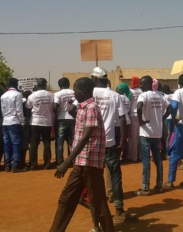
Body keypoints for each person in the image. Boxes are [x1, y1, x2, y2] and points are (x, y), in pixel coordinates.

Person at [50, 78, 114, 232]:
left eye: (76, 90)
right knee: (66, 199)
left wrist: (67, 161)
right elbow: (81, 126)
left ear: (83, 91)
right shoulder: (83, 108)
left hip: (90, 162)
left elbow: (86, 136)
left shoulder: (92, 107)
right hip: (81, 162)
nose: (74, 92)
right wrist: (73, 109)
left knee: (98, 203)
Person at [90, 67, 131, 223]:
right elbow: (122, 119)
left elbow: (75, 111)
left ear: (94, 79)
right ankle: (119, 210)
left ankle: (98, 212)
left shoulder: (88, 94)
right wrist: (122, 142)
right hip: (110, 142)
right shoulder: (115, 95)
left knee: (94, 177)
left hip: (92, 143)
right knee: (114, 175)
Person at [135, 76, 169, 196]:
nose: (140, 86)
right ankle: (159, 185)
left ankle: (145, 187)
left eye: (142, 84)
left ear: (146, 85)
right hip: (157, 132)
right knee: (158, 159)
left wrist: (141, 121)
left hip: (145, 132)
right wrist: (162, 119)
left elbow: (139, 106)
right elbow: (170, 107)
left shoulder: (144, 95)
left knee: (146, 160)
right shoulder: (159, 95)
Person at [26, 78, 54, 170]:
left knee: (33, 144)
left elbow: (28, 107)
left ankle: (33, 165)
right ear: (45, 85)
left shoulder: (32, 96)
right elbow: (53, 107)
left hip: (35, 122)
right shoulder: (50, 95)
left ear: (37, 85)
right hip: (47, 122)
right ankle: (47, 164)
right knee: (46, 143)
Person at [1, 78, 27, 173]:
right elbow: (19, 110)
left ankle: (7, 165)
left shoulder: (3, 96)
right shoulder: (18, 94)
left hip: (5, 121)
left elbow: (3, 110)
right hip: (14, 121)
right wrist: (22, 122)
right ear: (16, 84)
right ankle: (15, 165)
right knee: (15, 143)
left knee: (7, 144)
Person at [53, 77, 76, 166]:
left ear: (59, 85)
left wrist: (56, 115)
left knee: (60, 141)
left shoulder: (58, 94)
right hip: (72, 118)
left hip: (61, 118)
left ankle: (60, 161)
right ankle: (72, 160)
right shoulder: (74, 92)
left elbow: (55, 106)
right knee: (72, 141)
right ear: (69, 84)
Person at [124, 76, 142, 162]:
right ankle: (140, 156)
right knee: (139, 136)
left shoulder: (130, 92)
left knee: (133, 137)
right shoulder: (141, 91)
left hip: (132, 114)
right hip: (140, 115)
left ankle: (133, 156)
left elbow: (128, 103)